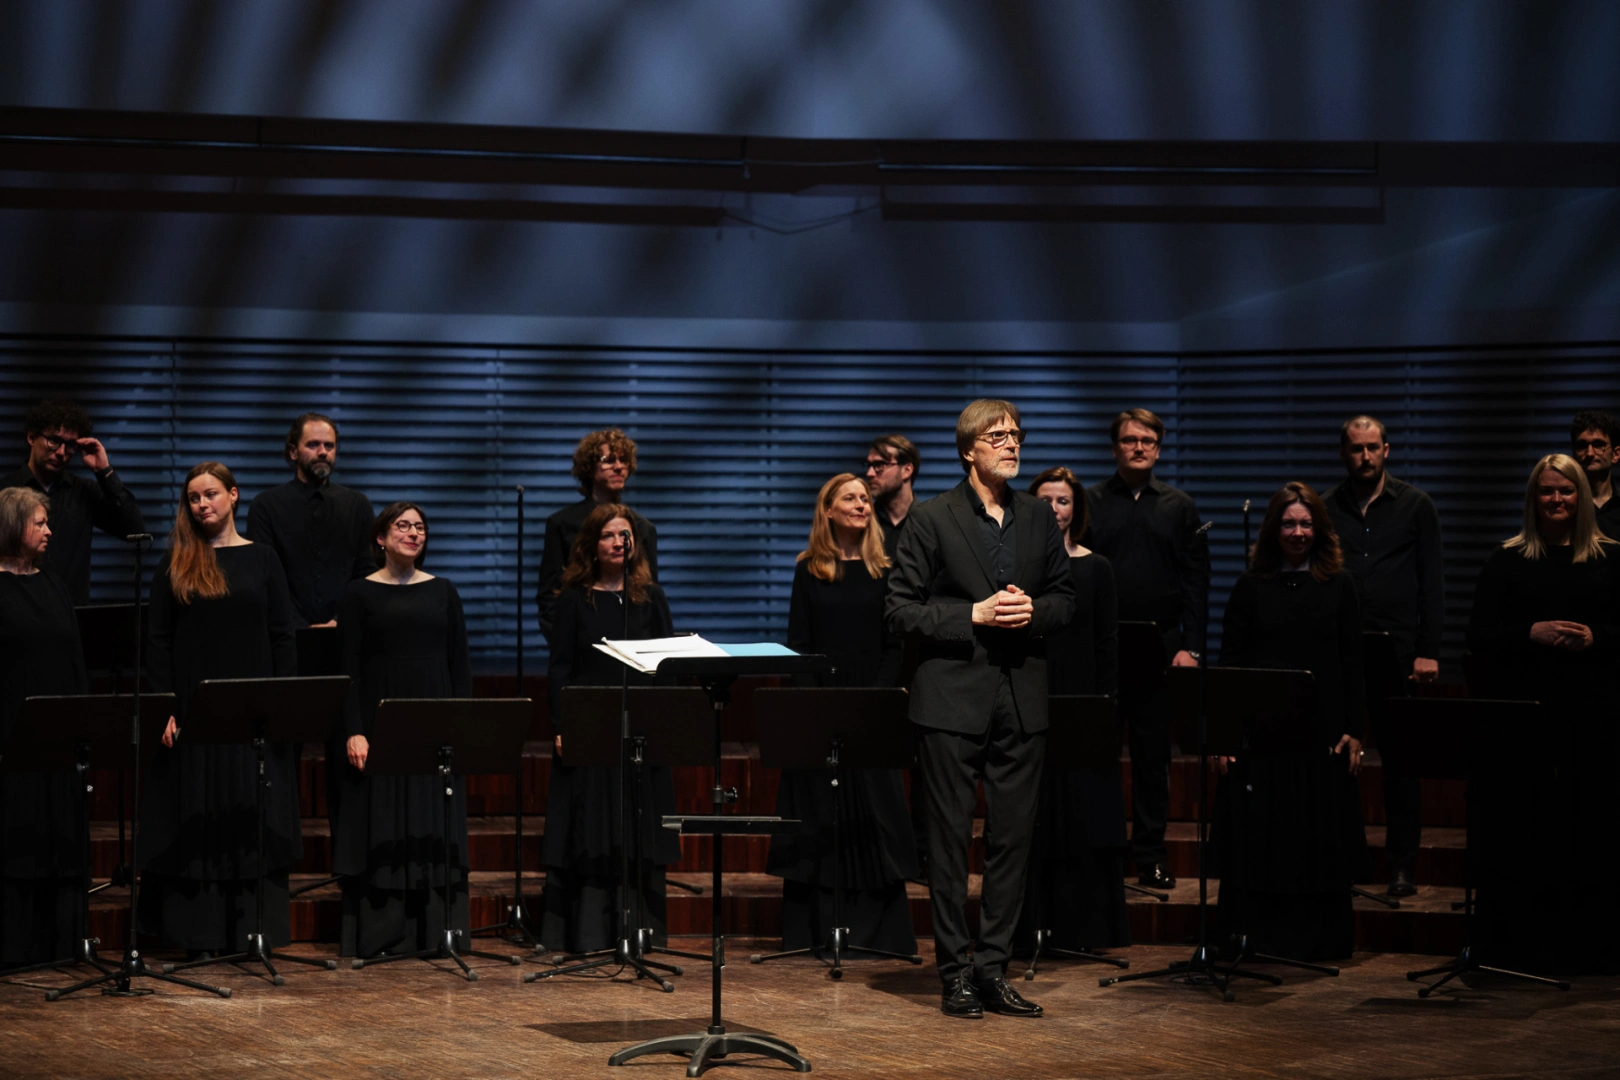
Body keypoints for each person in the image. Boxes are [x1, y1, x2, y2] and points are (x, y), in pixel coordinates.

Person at [887, 398, 1074, 1019]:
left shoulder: (1038, 516)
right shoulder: (932, 517)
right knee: (947, 842)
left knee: (1012, 841)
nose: (1012, 444)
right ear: (969, 450)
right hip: (950, 700)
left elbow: (1065, 598)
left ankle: (993, 969)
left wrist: (1034, 611)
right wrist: (973, 614)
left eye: (1016, 434)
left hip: (1022, 698)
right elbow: (900, 610)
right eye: (998, 436)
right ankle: (954, 973)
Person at [138, 462, 299, 958]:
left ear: (233, 495)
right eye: (193, 498)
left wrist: (283, 702)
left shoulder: (263, 558)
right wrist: (164, 707)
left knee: (249, 810)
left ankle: (250, 932)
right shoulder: (176, 561)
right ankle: (199, 936)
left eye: (210, 494)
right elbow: (157, 642)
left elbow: (282, 636)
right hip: (193, 710)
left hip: (252, 709)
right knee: (198, 809)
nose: (202, 504)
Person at [1467, 454, 1620, 974]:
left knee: (1590, 833)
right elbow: (1478, 638)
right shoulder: (1507, 560)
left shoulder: (1611, 557)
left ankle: (1591, 950)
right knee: (1526, 834)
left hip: (1594, 721)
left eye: (1566, 491)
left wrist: (1598, 638)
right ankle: (1522, 948)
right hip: (1527, 723)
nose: (1556, 499)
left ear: (1582, 497)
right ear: (1533, 498)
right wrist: (1528, 632)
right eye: (1547, 491)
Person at [1211, 482, 1368, 962]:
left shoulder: (1339, 585)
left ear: (1319, 529)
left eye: (1306, 523)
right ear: (1273, 529)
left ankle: (1313, 942)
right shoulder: (1250, 586)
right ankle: (1255, 939)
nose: (1298, 532)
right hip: (1261, 738)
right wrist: (1223, 735)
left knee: (1316, 838)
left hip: (1321, 737)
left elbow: (1353, 662)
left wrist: (1356, 728)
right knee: (1260, 839)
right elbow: (1230, 664)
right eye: (1288, 524)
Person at [767, 474, 918, 958]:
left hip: (871, 707)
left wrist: (870, 704)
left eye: (865, 498)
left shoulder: (887, 569)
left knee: (875, 818)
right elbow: (799, 644)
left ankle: (877, 936)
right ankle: (814, 933)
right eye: (850, 498)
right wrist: (820, 709)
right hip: (821, 707)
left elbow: (895, 645)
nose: (861, 504)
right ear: (828, 510)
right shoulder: (809, 569)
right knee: (818, 817)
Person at [333, 502, 473, 958]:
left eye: (420, 527)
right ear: (381, 537)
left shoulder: (444, 591)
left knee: (434, 817)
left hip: (436, 720)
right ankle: (385, 935)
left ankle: (436, 933)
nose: (413, 533)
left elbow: (460, 665)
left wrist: (463, 726)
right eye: (403, 526)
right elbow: (348, 670)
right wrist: (354, 730)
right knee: (384, 817)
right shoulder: (358, 593)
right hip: (380, 720)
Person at [542, 501, 679, 953]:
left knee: (638, 822)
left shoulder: (650, 597)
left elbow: (667, 665)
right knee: (592, 824)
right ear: (591, 544)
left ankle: (639, 931)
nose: (619, 542)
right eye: (608, 535)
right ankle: (589, 933)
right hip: (590, 724)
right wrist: (562, 725)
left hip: (642, 727)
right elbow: (560, 668)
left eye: (625, 535)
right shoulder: (573, 599)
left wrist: (665, 723)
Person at [1085, 408, 1208, 891]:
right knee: (1099, 756)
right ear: (1114, 447)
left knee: (1153, 758)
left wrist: (1192, 647)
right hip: (1103, 646)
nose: (1139, 448)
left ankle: (1151, 855)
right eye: (1129, 440)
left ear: (1158, 449)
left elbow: (1196, 582)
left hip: (1161, 646)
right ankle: (1104, 856)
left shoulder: (1180, 506)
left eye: (1148, 441)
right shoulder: (1090, 502)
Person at [1323, 414, 1444, 899]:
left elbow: (1431, 582)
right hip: (1341, 652)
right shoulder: (1325, 507)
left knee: (1401, 764)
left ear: (1387, 450)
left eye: (1373, 447)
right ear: (1343, 453)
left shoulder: (1416, 505)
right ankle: (1343, 861)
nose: (1365, 456)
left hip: (1397, 651)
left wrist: (1428, 651)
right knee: (1339, 760)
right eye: (1356, 448)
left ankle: (1402, 866)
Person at [1015, 466, 1128, 954]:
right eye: (1045, 501)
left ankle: (1084, 930)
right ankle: (1028, 927)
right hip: (1029, 699)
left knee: (1083, 813)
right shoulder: (1017, 567)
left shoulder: (1097, 568)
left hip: (1082, 705)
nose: (1055, 510)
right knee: (1030, 815)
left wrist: (1105, 709)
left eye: (1063, 501)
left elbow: (1107, 644)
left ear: (1075, 509)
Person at [0, 488, 90, 966]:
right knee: (17, 833)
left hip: (60, 735)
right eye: (39, 523)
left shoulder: (53, 583)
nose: (49, 531)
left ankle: (62, 946)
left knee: (61, 833)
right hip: (11, 736)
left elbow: (74, 657)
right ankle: (17, 948)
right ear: (12, 525)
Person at [1, 399, 145, 605]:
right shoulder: (5, 492)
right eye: (54, 440)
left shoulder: (83, 491)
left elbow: (135, 529)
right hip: (14, 610)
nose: (61, 452)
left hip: (72, 612)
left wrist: (104, 471)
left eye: (69, 446)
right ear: (32, 437)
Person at [246, 413, 376, 629]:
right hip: (284, 634)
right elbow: (264, 576)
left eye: (329, 446)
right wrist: (299, 626)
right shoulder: (266, 506)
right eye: (313, 444)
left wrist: (341, 620)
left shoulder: (358, 505)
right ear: (293, 452)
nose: (323, 452)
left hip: (346, 632)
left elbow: (367, 572)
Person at [536, 430, 659, 645]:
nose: (619, 467)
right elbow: (549, 596)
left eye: (623, 460)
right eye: (609, 460)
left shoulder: (643, 528)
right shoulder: (562, 523)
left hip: (632, 642)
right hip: (578, 641)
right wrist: (563, 642)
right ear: (589, 467)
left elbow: (649, 592)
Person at [865, 434, 921, 561]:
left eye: (880, 465)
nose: (870, 473)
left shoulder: (928, 524)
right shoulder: (863, 523)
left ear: (907, 470)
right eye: (869, 465)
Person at [1570, 409, 1620, 540]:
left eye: (1598, 445)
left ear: (1616, 454)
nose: (1590, 453)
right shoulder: (1565, 505)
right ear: (1573, 454)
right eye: (1582, 446)